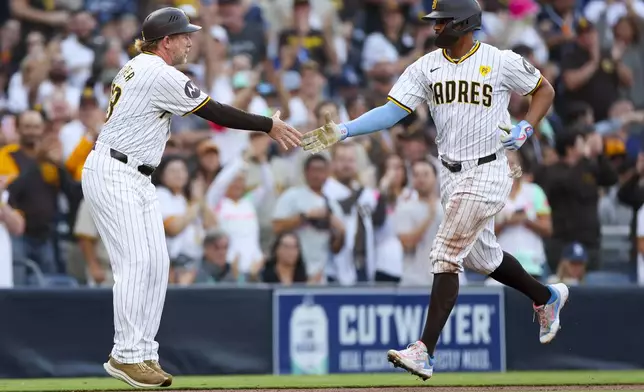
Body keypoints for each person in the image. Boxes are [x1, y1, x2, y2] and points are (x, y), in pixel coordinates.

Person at [302, 0, 568, 381]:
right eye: (435, 21)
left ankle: (424, 349)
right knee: (483, 258)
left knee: (445, 253)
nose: (435, 28)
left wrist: (527, 125)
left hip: (490, 168)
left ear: (463, 23)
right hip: (451, 174)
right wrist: (345, 129)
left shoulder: (500, 59)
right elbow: (392, 111)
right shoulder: (425, 66)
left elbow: (543, 89)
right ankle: (546, 297)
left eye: (442, 22)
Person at [80, 7, 301, 389]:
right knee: (136, 262)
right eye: (184, 35)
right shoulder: (157, 71)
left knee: (157, 262)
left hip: (135, 172)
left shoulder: (139, 66)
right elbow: (214, 112)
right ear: (166, 41)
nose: (190, 41)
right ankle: (126, 354)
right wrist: (267, 124)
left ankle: (144, 352)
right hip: (115, 171)